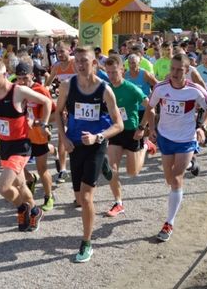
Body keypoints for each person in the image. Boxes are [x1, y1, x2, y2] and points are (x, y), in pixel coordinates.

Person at [55, 47, 124, 263]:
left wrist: (98, 137)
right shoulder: (67, 86)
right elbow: (56, 112)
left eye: (85, 61)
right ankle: (104, 164)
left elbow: (119, 124)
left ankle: (86, 243)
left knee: (86, 198)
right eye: (78, 62)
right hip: (75, 144)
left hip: (96, 144)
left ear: (95, 63)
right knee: (78, 198)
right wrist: (64, 138)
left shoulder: (105, 90)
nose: (80, 65)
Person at [148, 54, 207, 242]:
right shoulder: (161, 87)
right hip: (165, 136)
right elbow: (150, 107)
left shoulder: (195, 90)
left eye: (179, 70)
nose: (174, 73)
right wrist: (150, 128)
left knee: (176, 178)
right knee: (169, 178)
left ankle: (169, 223)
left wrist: (203, 127)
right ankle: (192, 165)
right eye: (172, 69)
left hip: (186, 138)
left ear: (187, 70)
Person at [0, 59, 52, 232]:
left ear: (5, 74)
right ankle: (35, 211)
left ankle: (22, 208)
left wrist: (43, 123)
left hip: (20, 146)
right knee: (21, 186)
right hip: (4, 146)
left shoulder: (19, 91)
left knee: (4, 187)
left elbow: (46, 102)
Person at [105, 56, 153, 217]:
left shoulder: (132, 88)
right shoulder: (107, 89)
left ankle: (146, 146)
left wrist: (142, 127)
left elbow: (150, 107)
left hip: (132, 132)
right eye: (109, 72)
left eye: (114, 72)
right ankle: (118, 203)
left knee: (133, 172)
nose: (111, 76)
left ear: (122, 71)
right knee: (112, 169)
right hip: (116, 132)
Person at [14, 59, 57, 211]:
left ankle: (49, 195)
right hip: (21, 136)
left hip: (38, 135)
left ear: (32, 75)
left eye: (25, 78)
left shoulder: (41, 90)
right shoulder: (16, 90)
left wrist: (39, 122)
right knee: (14, 167)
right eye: (19, 78)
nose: (22, 81)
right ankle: (31, 180)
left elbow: (55, 114)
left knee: (42, 168)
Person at [44, 41, 76, 184]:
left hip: (79, 105)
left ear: (70, 50)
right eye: (58, 52)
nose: (60, 55)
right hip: (64, 105)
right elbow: (47, 83)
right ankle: (63, 170)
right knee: (62, 136)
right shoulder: (56, 66)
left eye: (63, 51)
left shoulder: (75, 63)